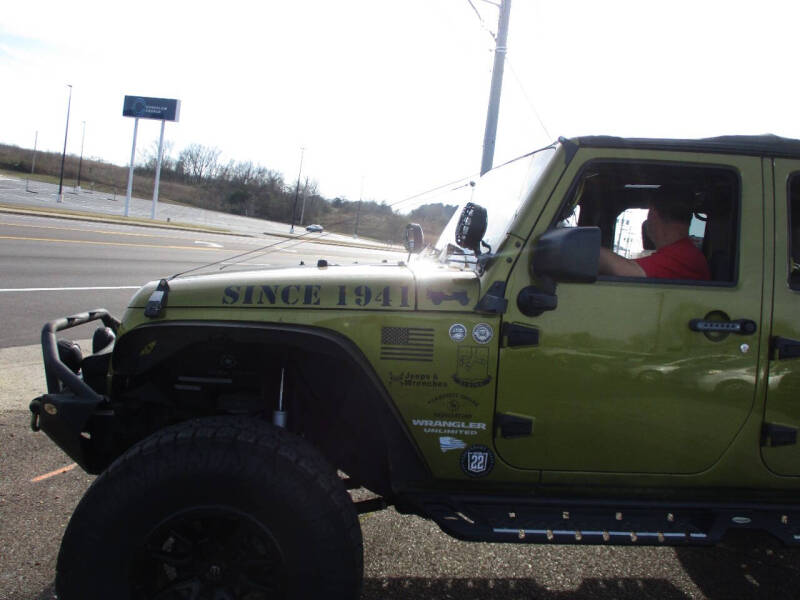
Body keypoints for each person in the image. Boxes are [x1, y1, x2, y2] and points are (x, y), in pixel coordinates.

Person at [598, 196, 711, 280]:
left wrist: (593, 251)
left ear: (652, 215)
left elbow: (628, 271)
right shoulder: (684, 254)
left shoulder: (685, 256)